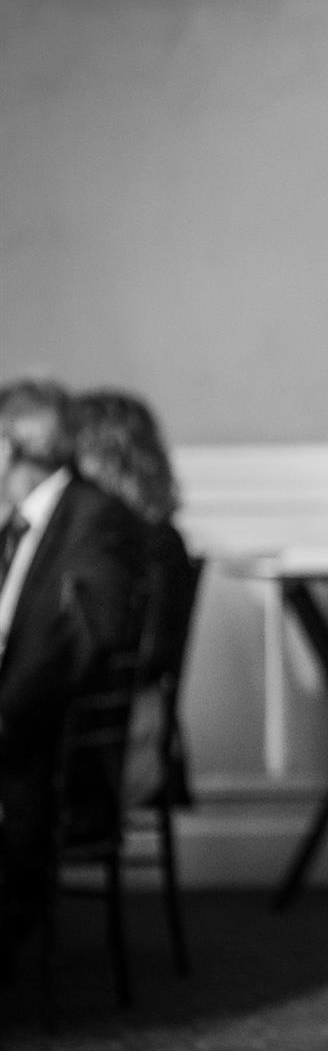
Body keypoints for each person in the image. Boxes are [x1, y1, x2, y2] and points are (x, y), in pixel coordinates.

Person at [0, 378, 144, 962]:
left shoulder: (96, 518)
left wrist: (4, 716)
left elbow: (79, 645)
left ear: (10, 448)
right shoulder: (18, 524)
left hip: (43, 742)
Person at [70, 388, 198, 810]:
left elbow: (145, 658)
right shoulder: (97, 542)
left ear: (105, 458)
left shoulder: (154, 545)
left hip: (115, 733)